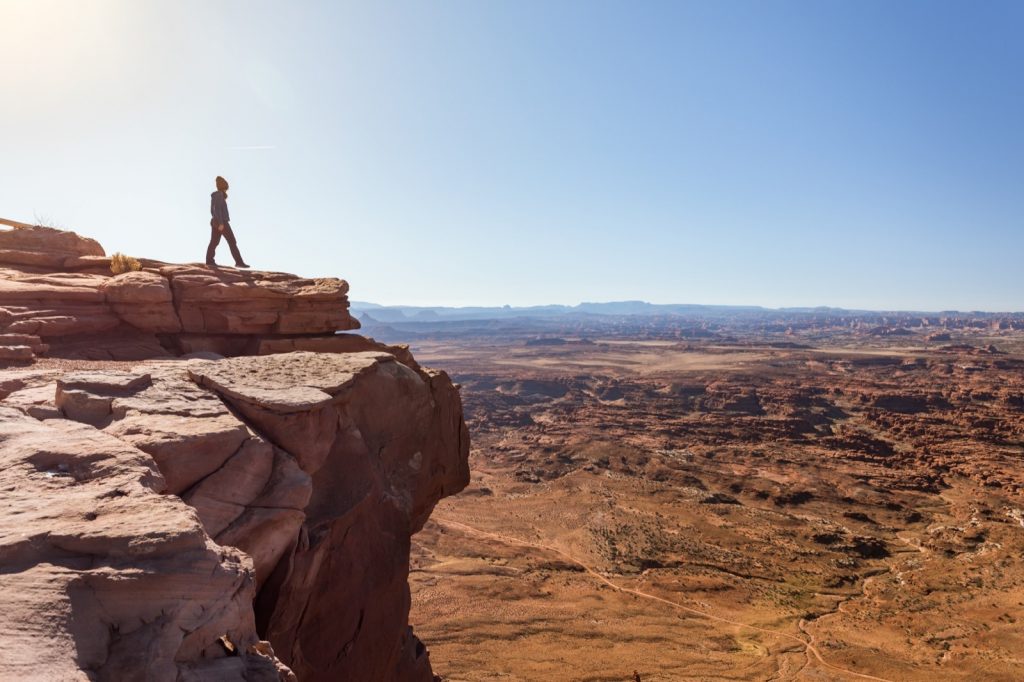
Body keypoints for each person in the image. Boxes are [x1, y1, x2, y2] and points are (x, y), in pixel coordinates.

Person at [206, 176, 249, 268]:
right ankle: (239, 262)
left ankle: (209, 261)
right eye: (226, 187)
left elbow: (213, 210)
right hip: (221, 222)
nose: (227, 190)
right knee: (232, 241)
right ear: (223, 186)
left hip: (215, 221)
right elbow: (216, 209)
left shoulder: (216, 195)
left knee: (214, 242)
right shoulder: (219, 195)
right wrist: (221, 223)